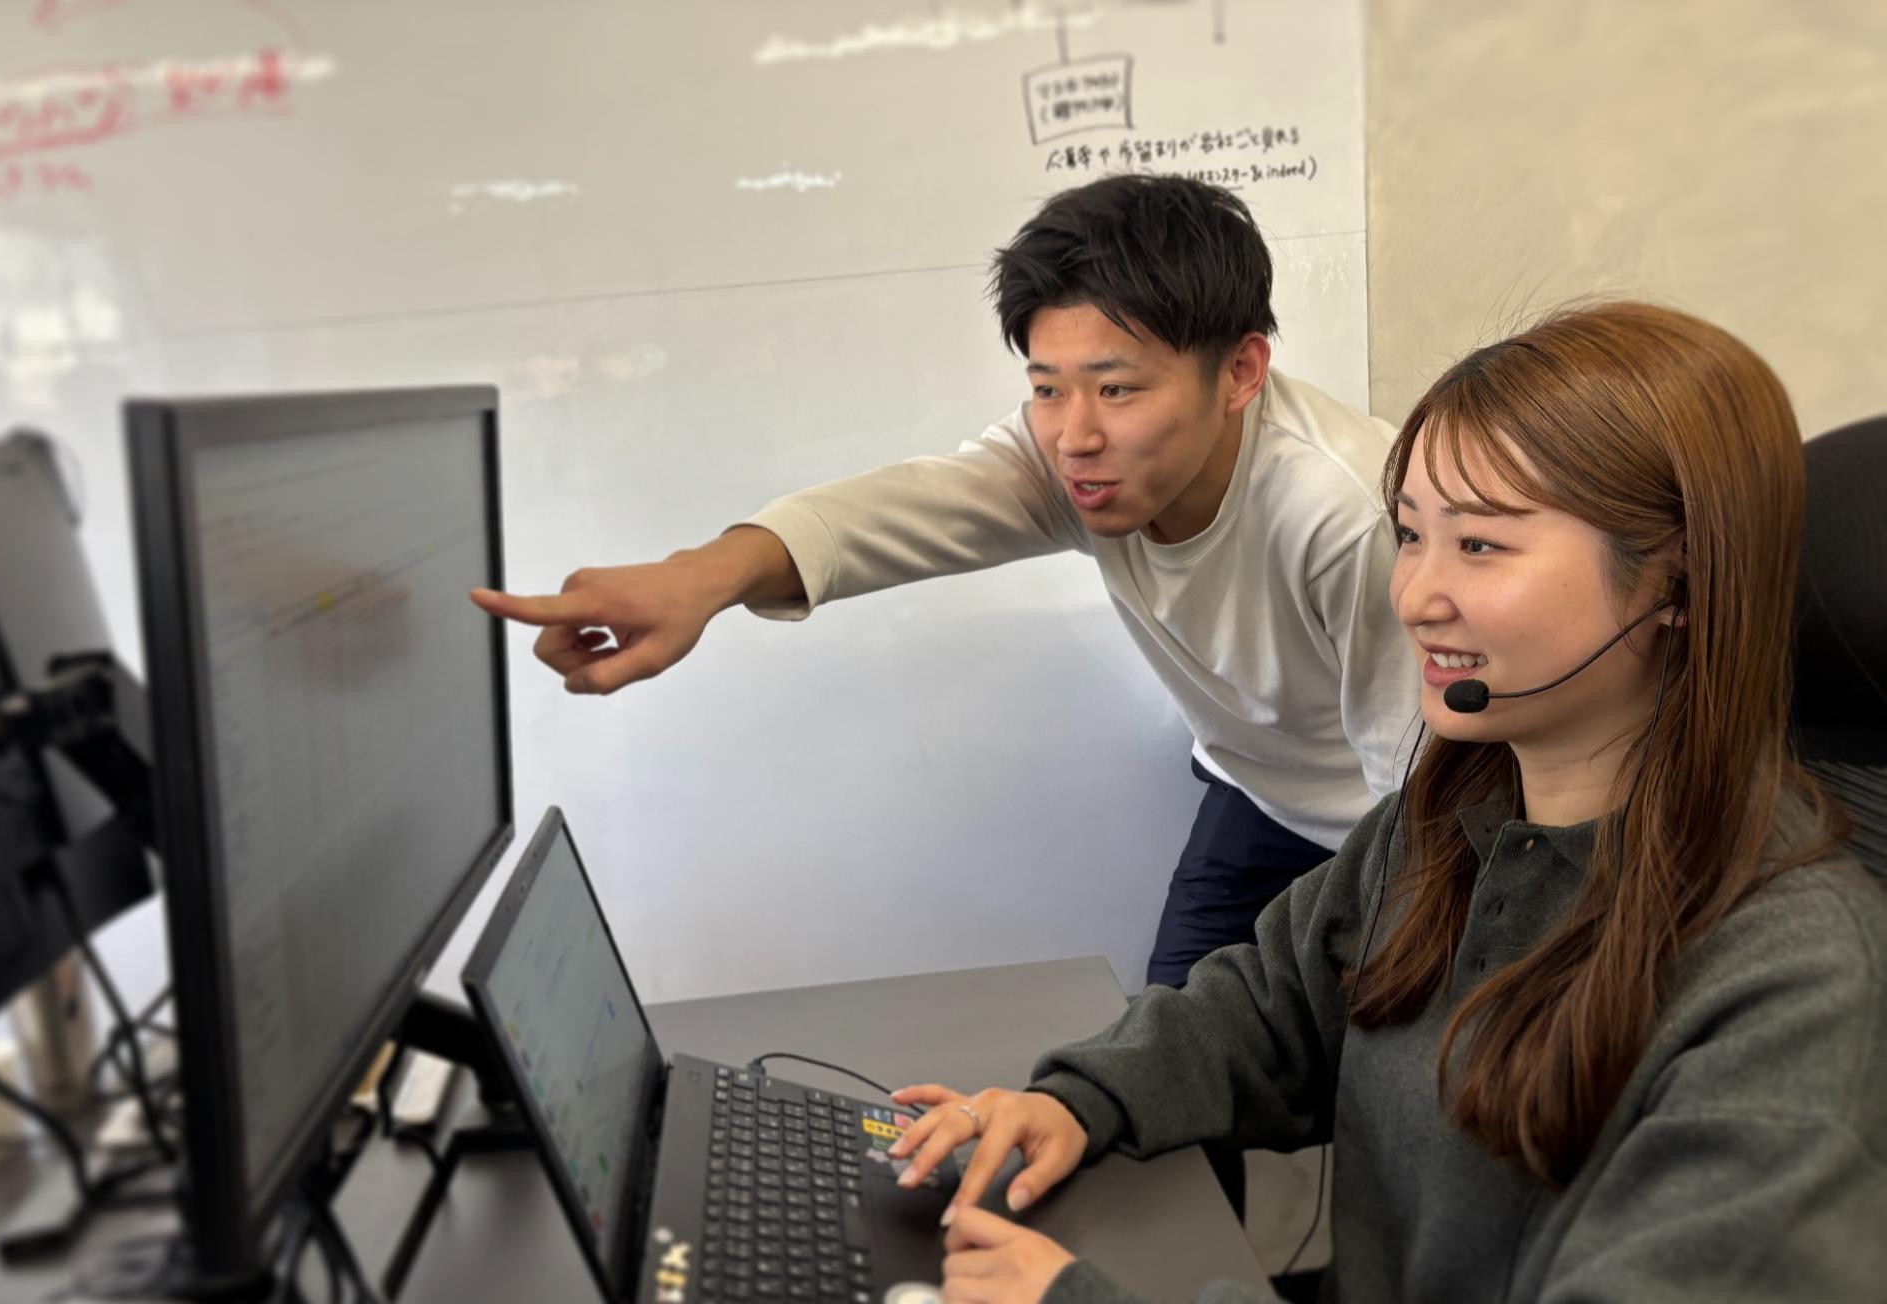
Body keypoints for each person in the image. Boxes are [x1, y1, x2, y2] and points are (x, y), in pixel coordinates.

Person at [883, 301, 1887, 1303]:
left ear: (1680, 581)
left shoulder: (1794, 976)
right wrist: (1079, 1099)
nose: (1414, 596)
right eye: (1409, 534)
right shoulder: (1446, 819)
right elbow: (1267, 1007)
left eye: (1480, 545)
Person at [472, 175, 1419, 988]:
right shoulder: (1074, 461)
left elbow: (1422, 788)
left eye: (1118, 388)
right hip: (1254, 787)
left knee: (1365, 1063)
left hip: (1389, 820)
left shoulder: (1346, 514)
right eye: (1046, 388)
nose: (1074, 435)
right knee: (1171, 1057)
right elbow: (900, 512)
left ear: (1241, 371)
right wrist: (700, 580)